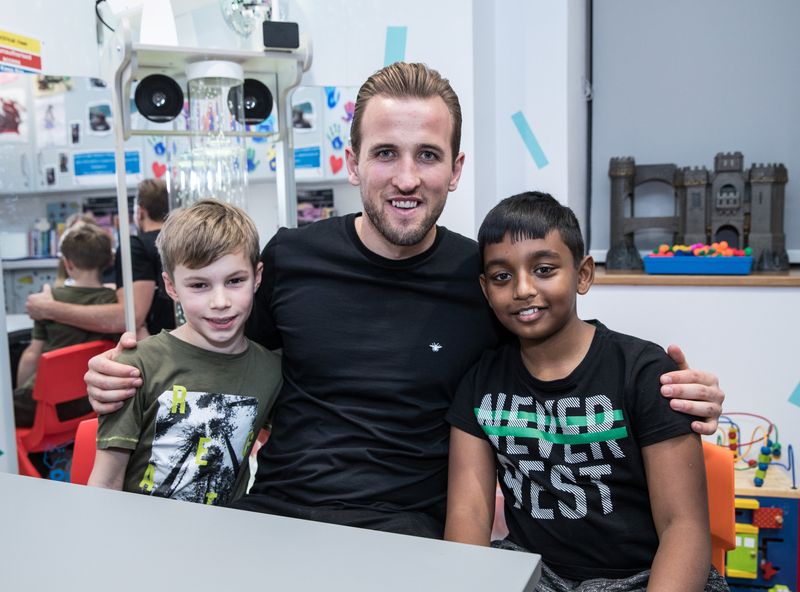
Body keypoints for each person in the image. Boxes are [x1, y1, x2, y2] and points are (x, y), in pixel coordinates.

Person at [84, 62, 725, 538]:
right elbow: (223, 353)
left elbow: (564, 357)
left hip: (410, 535)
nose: (407, 178)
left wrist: (663, 393)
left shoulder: (484, 278)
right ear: (353, 161)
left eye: (428, 155)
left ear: (457, 167)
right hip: (273, 517)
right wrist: (125, 376)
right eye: (385, 153)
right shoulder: (289, 256)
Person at [445, 192, 729, 591]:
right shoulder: (480, 381)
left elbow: (683, 527)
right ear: (485, 287)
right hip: (534, 573)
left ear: (583, 274)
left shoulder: (644, 373)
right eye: (502, 276)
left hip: (642, 577)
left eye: (544, 269)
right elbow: (469, 513)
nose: (523, 288)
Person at [87, 200, 282, 506]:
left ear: (257, 277)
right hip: (141, 539)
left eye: (235, 281)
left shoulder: (272, 370)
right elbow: (106, 481)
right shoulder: (135, 366)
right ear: (171, 286)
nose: (220, 301)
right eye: (199, 285)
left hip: (225, 541)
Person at [26, 178, 176, 341]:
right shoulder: (177, 241)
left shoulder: (136, 246)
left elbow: (132, 317)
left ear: (139, 212)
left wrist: (49, 309)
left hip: (159, 344)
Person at [14, 223, 118, 428]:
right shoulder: (114, 302)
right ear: (107, 262)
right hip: (91, 403)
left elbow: (31, 356)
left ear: (68, 263)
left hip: (46, 406)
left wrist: (20, 392)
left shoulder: (49, 300)